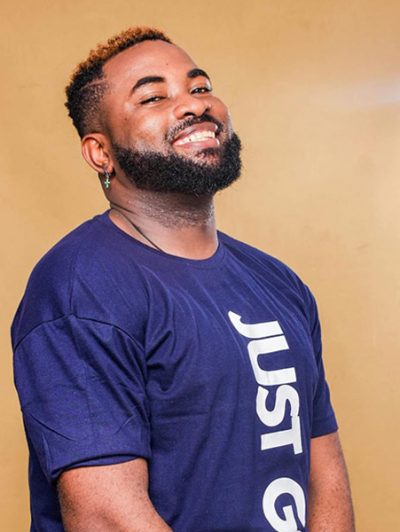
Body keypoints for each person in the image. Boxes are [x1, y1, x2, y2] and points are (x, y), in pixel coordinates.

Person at [12, 26, 355, 531]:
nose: (194, 105)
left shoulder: (277, 283)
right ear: (100, 153)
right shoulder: (81, 286)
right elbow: (106, 516)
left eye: (200, 87)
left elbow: (324, 473)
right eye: (154, 97)